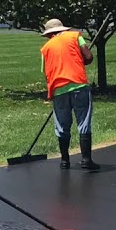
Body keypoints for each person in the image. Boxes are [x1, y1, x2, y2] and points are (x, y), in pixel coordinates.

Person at [39, 18, 99, 170]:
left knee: (62, 125)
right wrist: (79, 61)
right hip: (78, 85)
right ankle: (86, 160)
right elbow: (89, 57)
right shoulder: (75, 36)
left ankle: (65, 161)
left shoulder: (45, 49)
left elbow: (46, 72)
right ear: (62, 29)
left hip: (58, 90)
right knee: (83, 122)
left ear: (49, 34)